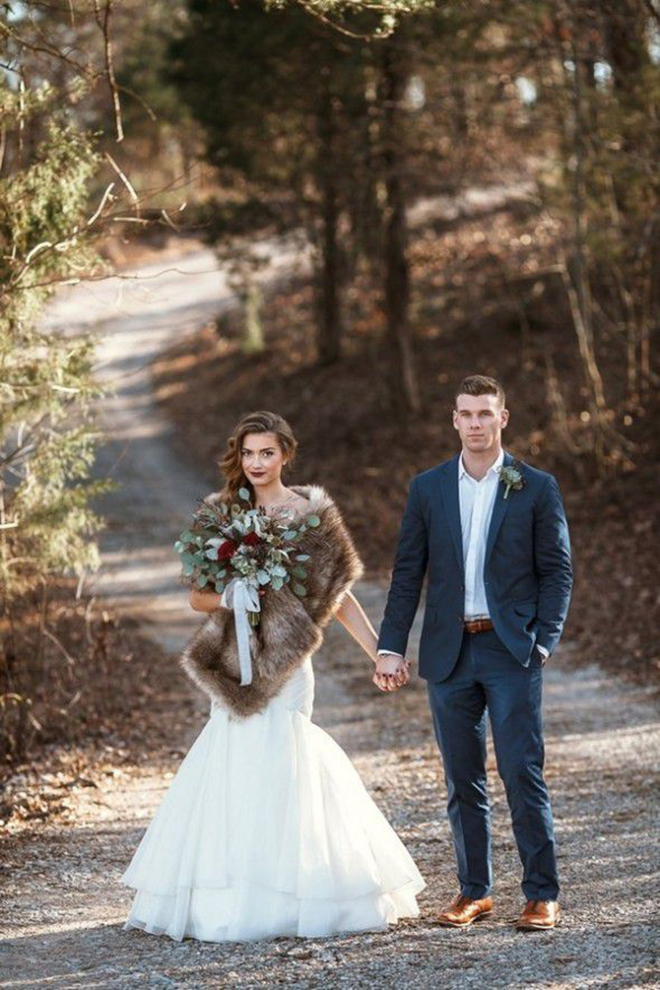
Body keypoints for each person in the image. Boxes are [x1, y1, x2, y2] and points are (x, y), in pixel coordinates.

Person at [121, 410, 425, 943]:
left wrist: (380, 652)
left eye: (267, 452)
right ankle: (230, 894)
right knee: (234, 754)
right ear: (237, 457)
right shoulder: (218, 514)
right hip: (235, 659)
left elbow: (341, 596)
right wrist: (230, 595)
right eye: (248, 453)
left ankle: (301, 888)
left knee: (287, 755)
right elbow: (196, 596)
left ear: (286, 453)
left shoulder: (311, 512)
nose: (257, 463)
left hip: (289, 664)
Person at [375, 375, 572, 931]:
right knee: (462, 779)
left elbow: (557, 571)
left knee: (520, 770)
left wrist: (543, 639)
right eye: (466, 414)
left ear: (503, 418)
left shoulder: (535, 486)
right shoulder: (428, 488)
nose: (476, 423)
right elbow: (408, 573)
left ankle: (540, 892)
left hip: (511, 650)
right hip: (449, 652)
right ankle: (474, 891)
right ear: (454, 419)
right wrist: (391, 646)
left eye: (486, 413)